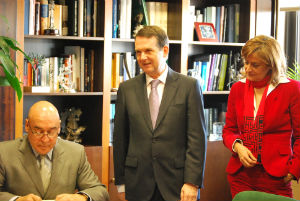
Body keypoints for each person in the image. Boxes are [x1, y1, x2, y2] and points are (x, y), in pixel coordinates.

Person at [113, 25, 207, 201]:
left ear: (165, 51)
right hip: (137, 184)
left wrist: (192, 182)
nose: (142, 57)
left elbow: (197, 140)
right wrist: (121, 182)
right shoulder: (126, 89)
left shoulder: (189, 86)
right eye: (138, 52)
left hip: (178, 185)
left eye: (148, 51)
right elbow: (120, 139)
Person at [222, 35, 300, 198]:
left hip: (277, 176)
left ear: (271, 65)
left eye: (255, 65)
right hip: (241, 175)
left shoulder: (292, 89)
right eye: (246, 62)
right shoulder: (237, 89)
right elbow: (229, 131)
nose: (247, 69)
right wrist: (238, 147)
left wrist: (294, 171)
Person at [0, 101, 109, 201]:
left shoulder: (75, 153)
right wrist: (17, 200)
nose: (45, 139)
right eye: (38, 131)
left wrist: (81, 197)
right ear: (27, 125)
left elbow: (100, 191)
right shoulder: (4, 152)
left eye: (51, 132)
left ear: (59, 128)